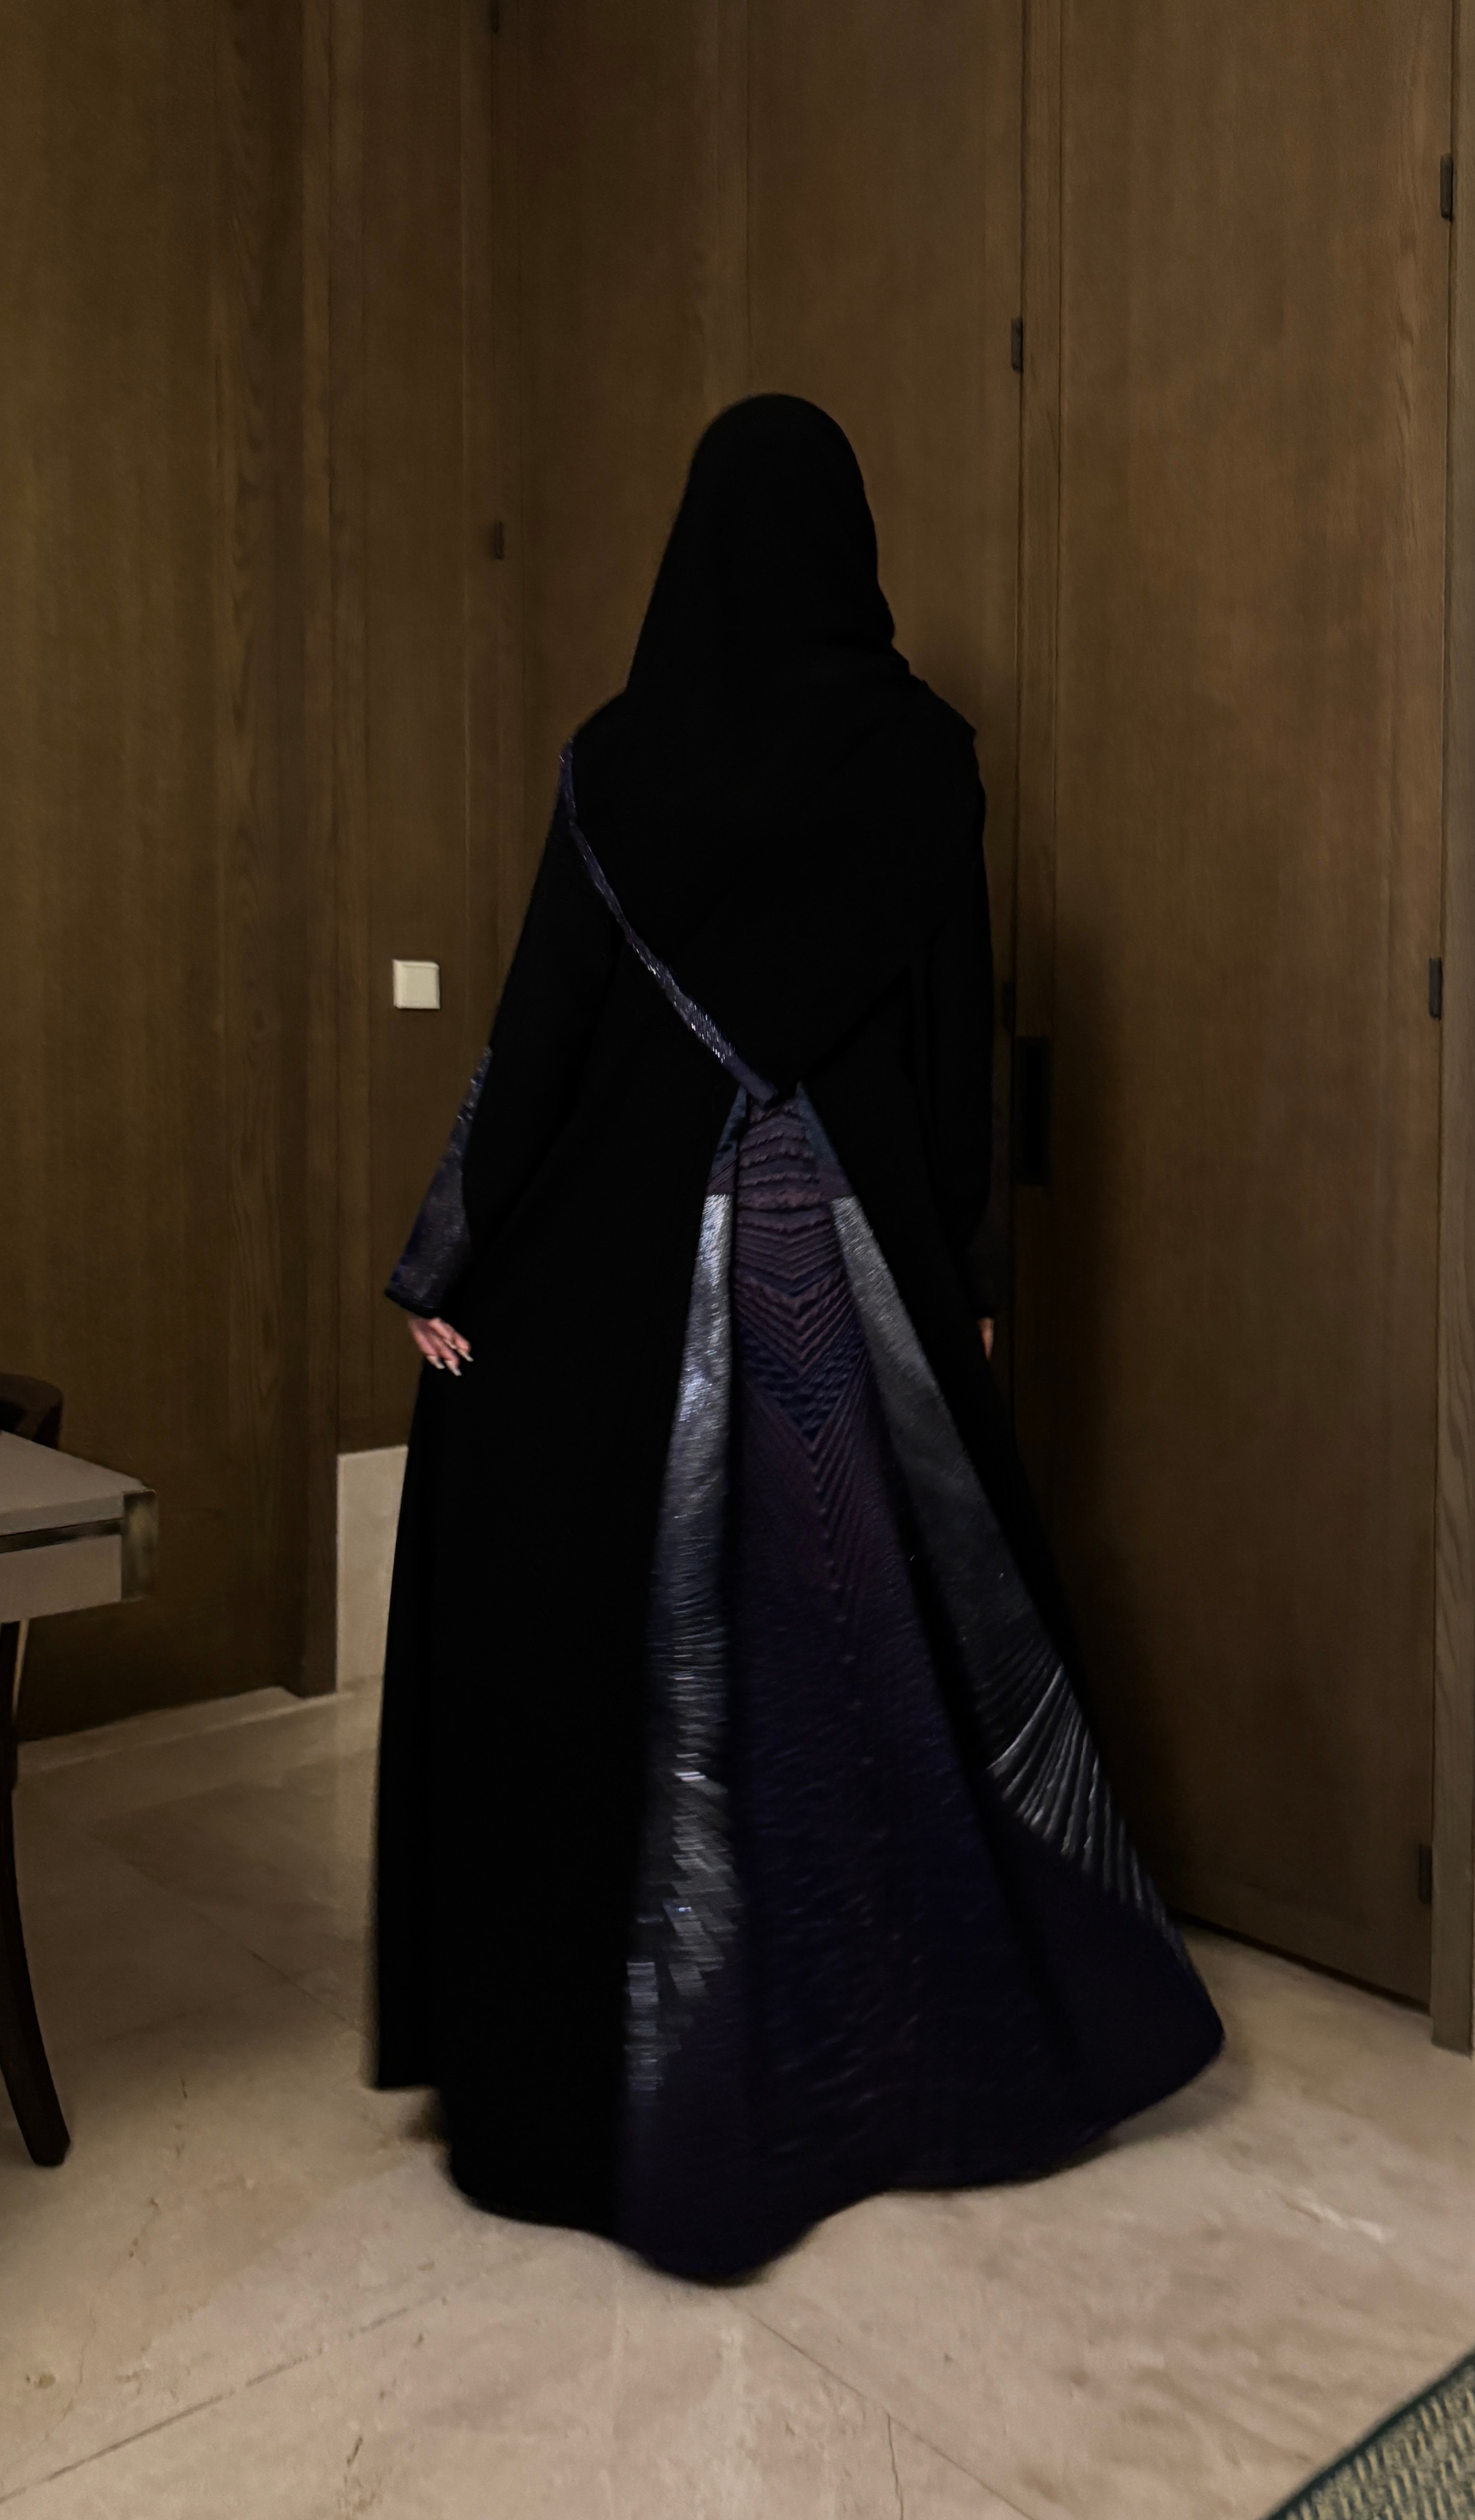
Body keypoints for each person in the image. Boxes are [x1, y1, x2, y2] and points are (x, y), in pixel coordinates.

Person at [373, 395, 1221, 2283]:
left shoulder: (620, 760)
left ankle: (661, 2057)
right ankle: (904, 2040)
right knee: (873, 1642)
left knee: (643, 1641)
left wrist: (447, 1262)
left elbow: (544, 1038)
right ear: (847, 545)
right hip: (855, 1271)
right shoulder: (923, 759)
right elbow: (952, 1054)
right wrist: (968, 1270)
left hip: (627, 1283)